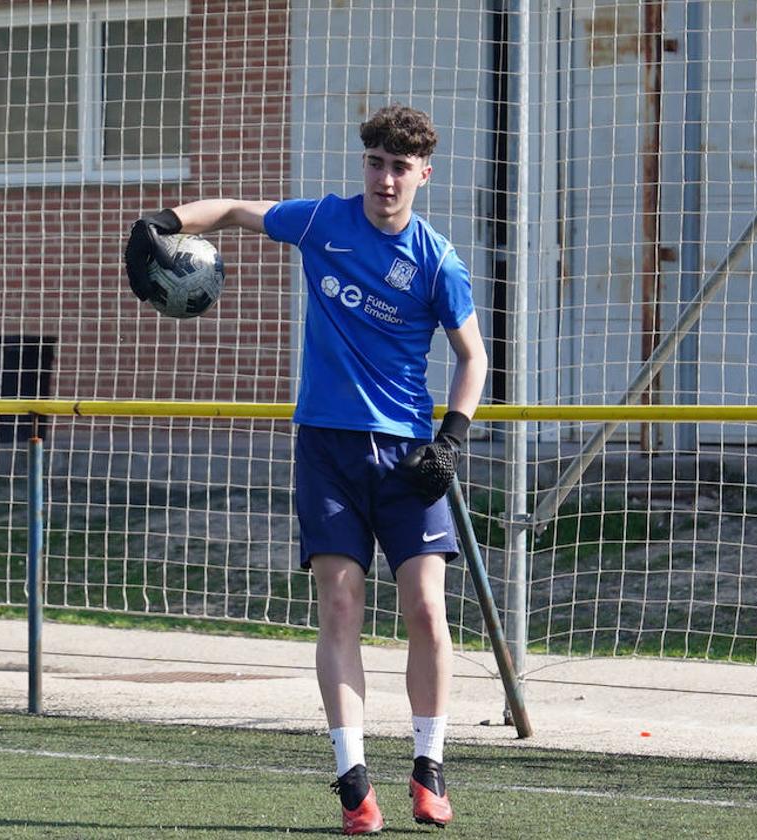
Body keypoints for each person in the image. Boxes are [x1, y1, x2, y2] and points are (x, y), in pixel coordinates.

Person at [124, 104, 488, 835]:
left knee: (425, 609)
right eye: (375, 163)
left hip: (409, 454)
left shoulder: (437, 259)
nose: (386, 179)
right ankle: (355, 784)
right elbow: (230, 210)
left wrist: (450, 439)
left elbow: (473, 356)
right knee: (340, 607)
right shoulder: (323, 221)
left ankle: (428, 766)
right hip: (325, 448)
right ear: (366, 165)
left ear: (424, 173)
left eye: (400, 167)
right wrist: (162, 222)